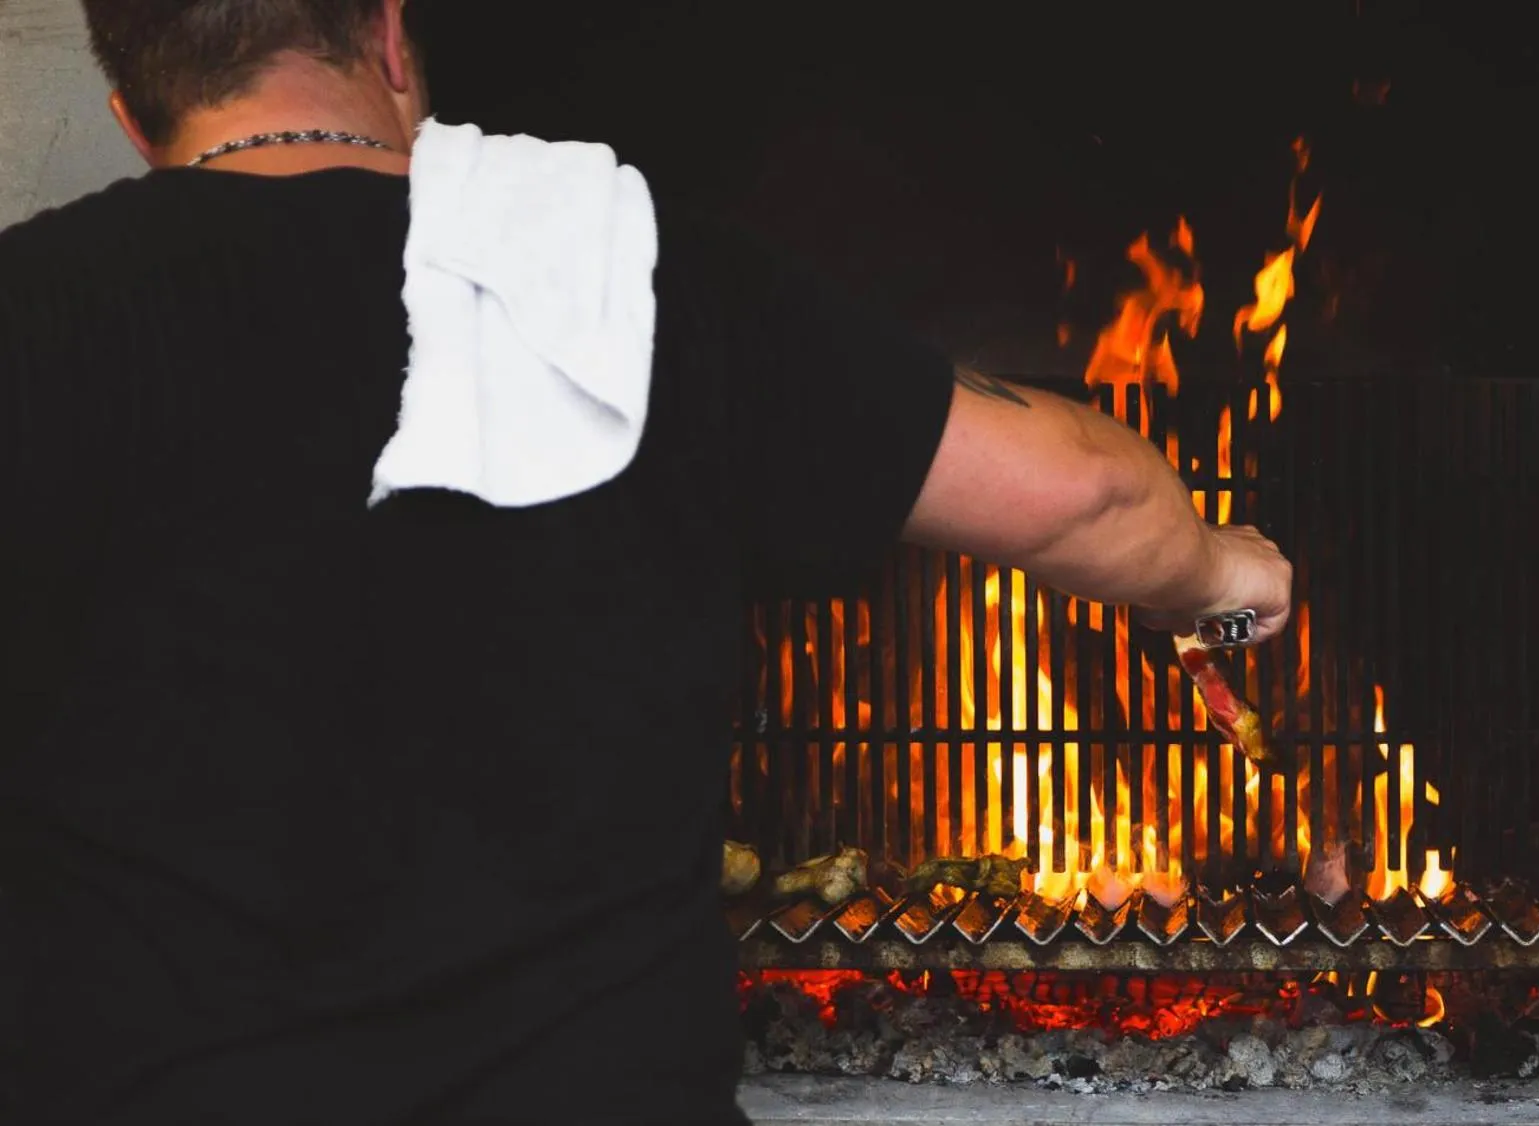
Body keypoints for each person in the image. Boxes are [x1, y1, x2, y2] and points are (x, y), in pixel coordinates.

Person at [0, 0, 1291, 1122]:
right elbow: (1082, 497)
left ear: (130, 114)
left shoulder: (36, 315)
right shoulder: (624, 285)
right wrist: (1220, 574)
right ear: (391, 38)